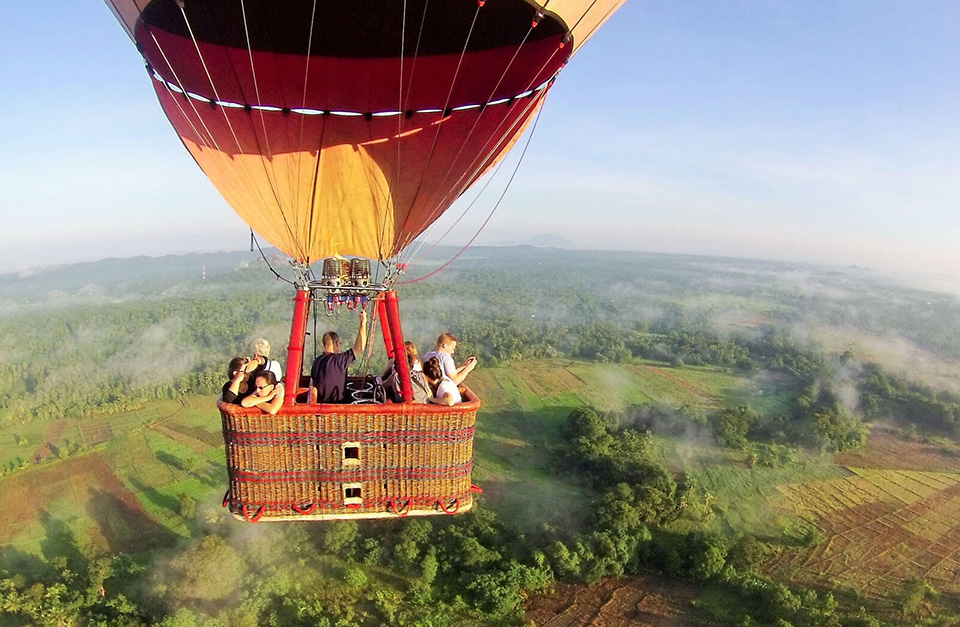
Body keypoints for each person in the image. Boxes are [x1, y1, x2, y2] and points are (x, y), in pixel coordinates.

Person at [310, 309, 367, 403]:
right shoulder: (339, 360)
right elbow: (360, 347)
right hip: (337, 409)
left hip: (321, 407)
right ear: (336, 343)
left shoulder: (317, 362)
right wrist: (363, 323)